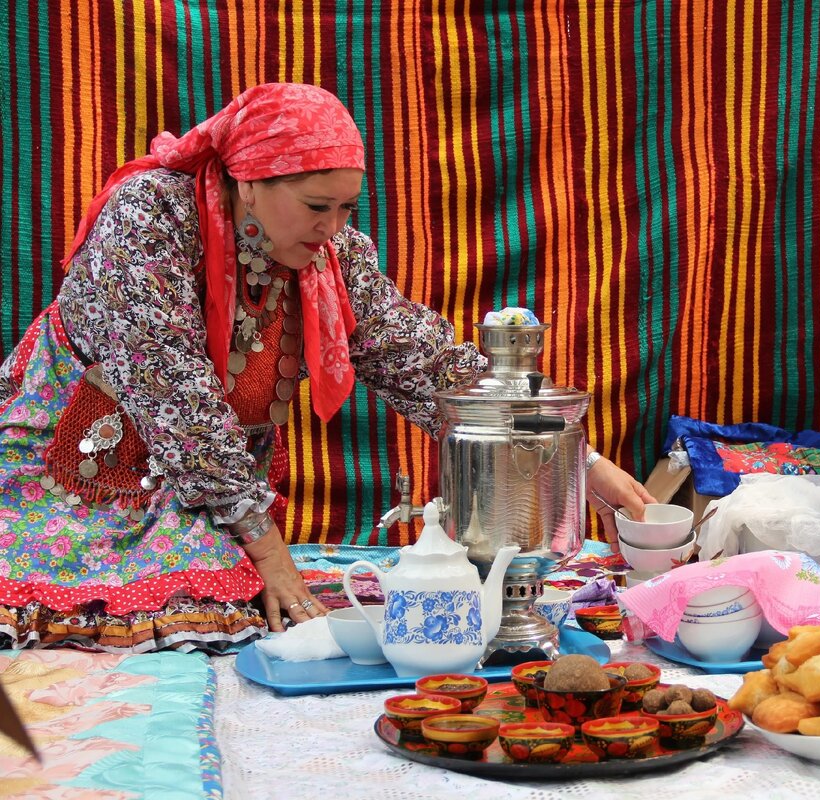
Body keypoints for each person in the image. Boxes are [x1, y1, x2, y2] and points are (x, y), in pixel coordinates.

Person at [0, 83, 654, 654]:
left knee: (229, 597)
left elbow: (420, 361)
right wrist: (266, 548)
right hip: (78, 462)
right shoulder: (151, 216)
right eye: (318, 206)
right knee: (197, 602)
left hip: (201, 478)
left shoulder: (333, 253)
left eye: (348, 209)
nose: (334, 228)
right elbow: (172, 387)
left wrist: (571, 461)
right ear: (248, 180)